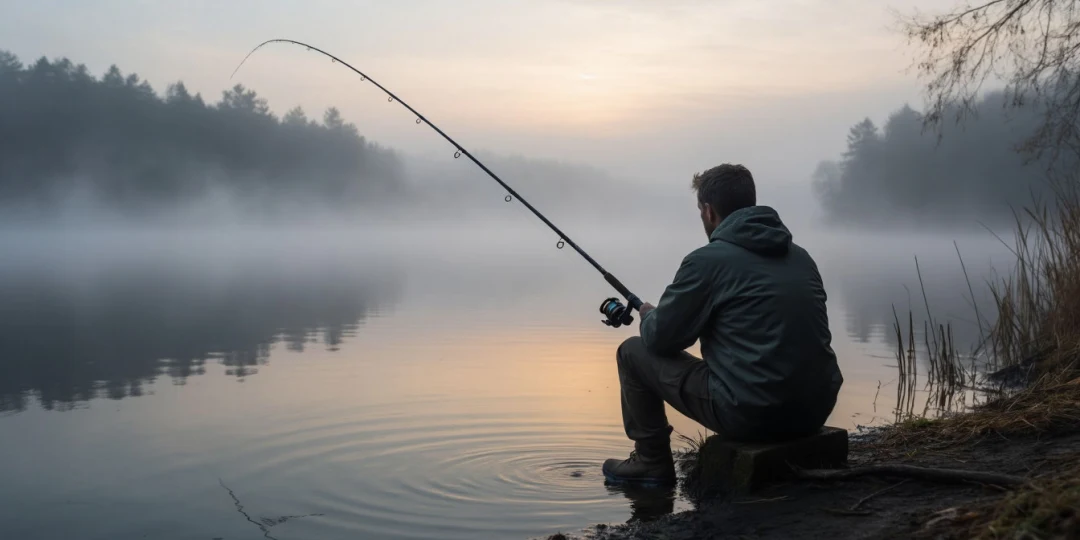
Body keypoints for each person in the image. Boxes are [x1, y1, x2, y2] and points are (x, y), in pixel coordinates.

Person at [601, 163, 843, 486]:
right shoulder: (801, 257)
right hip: (815, 410)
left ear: (709, 211)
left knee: (632, 352)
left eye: (700, 211)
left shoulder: (706, 262)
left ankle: (651, 462)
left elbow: (660, 339)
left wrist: (648, 317)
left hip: (752, 415)